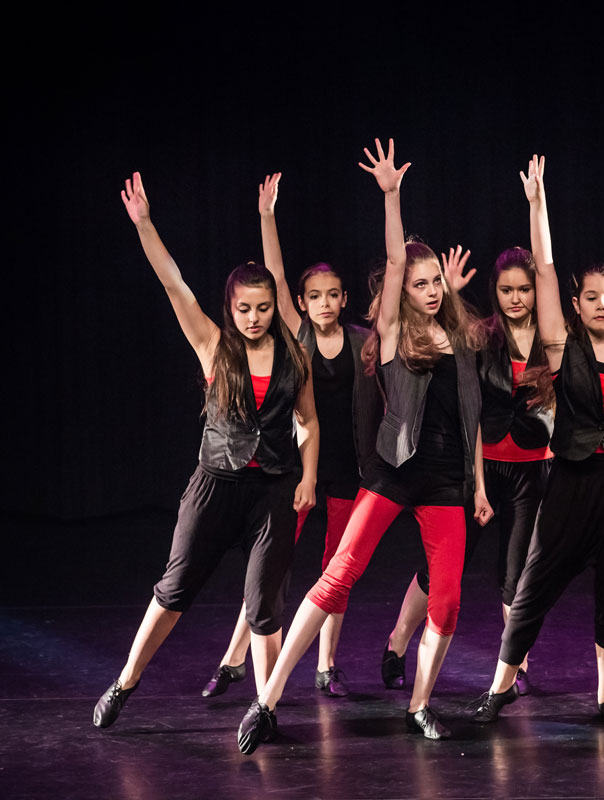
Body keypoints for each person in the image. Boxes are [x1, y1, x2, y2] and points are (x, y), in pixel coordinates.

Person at [236, 139, 491, 752]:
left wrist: (479, 487)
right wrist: (392, 195)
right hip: (394, 470)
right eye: (420, 283)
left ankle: (420, 704)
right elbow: (396, 261)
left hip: (446, 482)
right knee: (337, 577)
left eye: (436, 282)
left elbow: (474, 421)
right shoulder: (395, 330)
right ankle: (266, 700)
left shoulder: (463, 342)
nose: (431, 290)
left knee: (448, 601)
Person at [94, 172, 318, 729]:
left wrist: (308, 477)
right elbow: (174, 284)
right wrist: (145, 224)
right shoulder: (213, 344)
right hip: (215, 484)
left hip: (272, 489)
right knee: (174, 590)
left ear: (274, 306)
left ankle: (264, 707)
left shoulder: (295, 357)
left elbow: (309, 421)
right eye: (244, 309)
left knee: (264, 607)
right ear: (231, 308)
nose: (254, 318)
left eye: (263, 308)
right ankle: (125, 681)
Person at [471, 155, 604, 729]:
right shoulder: (562, 346)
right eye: (593, 297)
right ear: (578, 305)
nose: (602, 305)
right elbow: (548, 269)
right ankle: (500, 686)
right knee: (532, 586)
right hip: (571, 483)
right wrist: (538, 205)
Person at [200, 173, 385, 701]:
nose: (324, 303)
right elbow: (275, 276)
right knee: (270, 570)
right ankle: (234, 659)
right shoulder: (294, 336)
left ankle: (327, 665)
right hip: (296, 469)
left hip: (349, 469)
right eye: (314, 296)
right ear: (301, 303)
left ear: (344, 299)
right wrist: (267, 217)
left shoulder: (364, 342)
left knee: (336, 569)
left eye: (332, 295)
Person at [382, 246, 556, 696]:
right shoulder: (481, 337)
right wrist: (477, 484)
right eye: (506, 290)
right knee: (443, 567)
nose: (516, 298)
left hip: (532, 469)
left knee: (515, 574)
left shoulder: (553, 335)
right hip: (482, 467)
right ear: (495, 292)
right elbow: (467, 407)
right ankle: (397, 642)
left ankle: (514, 665)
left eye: (524, 290)